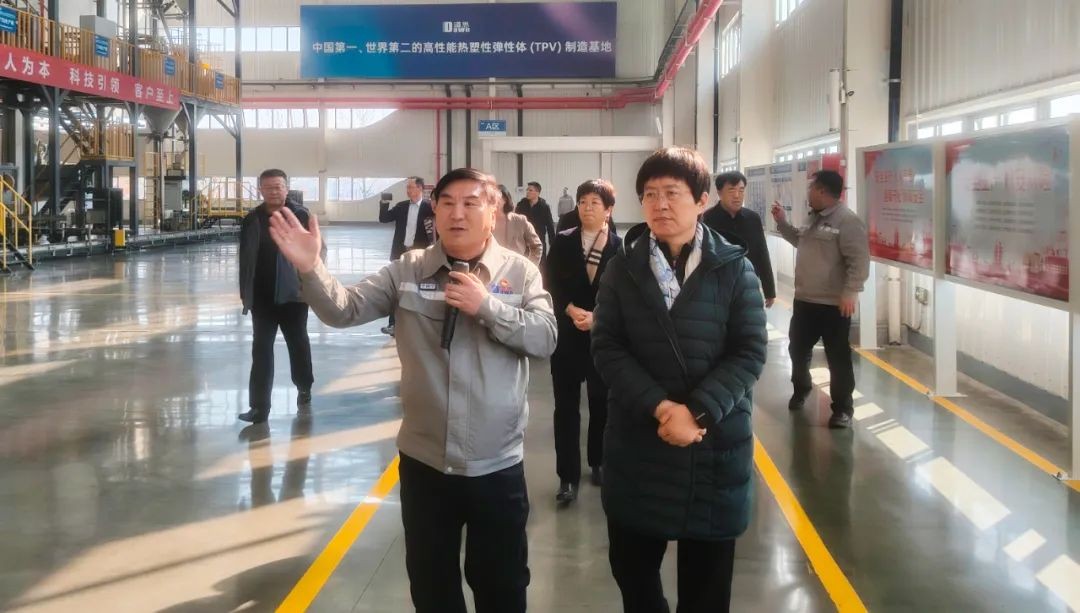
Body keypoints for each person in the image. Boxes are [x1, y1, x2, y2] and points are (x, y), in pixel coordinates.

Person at [267, 167, 557, 613]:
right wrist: (311, 267)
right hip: (426, 465)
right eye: (447, 203)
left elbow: (545, 338)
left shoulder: (520, 273)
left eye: (470, 203)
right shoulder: (408, 269)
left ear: (493, 211)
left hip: (495, 466)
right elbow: (345, 309)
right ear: (434, 212)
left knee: (502, 586)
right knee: (431, 587)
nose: (457, 214)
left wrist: (488, 307)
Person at [592, 147, 767, 612]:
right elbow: (607, 346)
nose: (660, 204)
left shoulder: (734, 268)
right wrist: (661, 406)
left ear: (702, 200)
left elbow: (750, 351)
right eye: (650, 194)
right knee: (633, 573)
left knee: (706, 590)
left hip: (712, 447)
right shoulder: (622, 268)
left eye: (672, 193)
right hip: (641, 442)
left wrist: (698, 412)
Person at [772, 170, 869, 429]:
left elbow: (859, 261)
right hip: (805, 300)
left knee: (837, 358)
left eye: (811, 187)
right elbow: (800, 240)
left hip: (833, 305)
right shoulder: (812, 217)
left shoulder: (848, 221)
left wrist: (851, 291)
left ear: (822, 191)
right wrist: (782, 223)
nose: (808, 192)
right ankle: (802, 388)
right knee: (797, 349)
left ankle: (843, 409)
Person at [545, 179, 621, 505]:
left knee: (601, 402)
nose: (587, 208)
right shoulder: (563, 241)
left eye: (594, 202)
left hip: (602, 339)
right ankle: (567, 477)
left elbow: (624, 296)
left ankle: (598, 462)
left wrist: (597, 317)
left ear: (608, 210)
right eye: (583, 202)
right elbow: (547, 281)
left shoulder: (619, 248)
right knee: (565, 408)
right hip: (566, 336)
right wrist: (568, 308)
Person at [237, 169, 324, 424]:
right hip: (261, 298)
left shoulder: (301, 216)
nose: (274, 192)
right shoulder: (252, 219)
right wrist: (245, 292)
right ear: (260, 190)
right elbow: (245, 259)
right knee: (261, 350)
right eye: (268, 187)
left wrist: (309, 285)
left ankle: (304, 386)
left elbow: (318, 253)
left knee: (298, 344)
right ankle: (259, 407)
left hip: (293, 296)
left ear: (286, 188)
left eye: (278, 187)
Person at [702, 170, 776, 307]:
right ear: (719, 193)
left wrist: (769, 290)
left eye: (741, 190)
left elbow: (762, 253)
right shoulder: (707, 219)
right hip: (717, 289)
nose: (737, 195)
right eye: (731, 190)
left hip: (748, 286)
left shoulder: (753, 219)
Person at [378, 176, 436, 336]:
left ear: (420, 188)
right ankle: (393, 324)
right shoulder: (401, 206)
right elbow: (384, 219)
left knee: (419, 290)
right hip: (401, 253)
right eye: (407, 187)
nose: (408, 190)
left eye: (411, 187)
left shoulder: (429, 208)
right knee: (397, 287)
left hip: (420, 255)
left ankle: (419, 325)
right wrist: (384, 203)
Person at [494, 184, 543, 265]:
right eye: (488, 198)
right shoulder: (483, 221)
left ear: (505, 199)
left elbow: (536, 246)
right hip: (491, 269)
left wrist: (529, 267)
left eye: (495, 197)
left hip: (515, 267)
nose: (492, 201)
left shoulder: (519, 220)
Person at [515, 181, 556, 262]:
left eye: (530, 190)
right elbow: (515, 220)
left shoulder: (544, 207)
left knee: (541, 264)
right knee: (524, 262)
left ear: (537, 193)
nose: (527, 192)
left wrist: (553, 244)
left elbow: (550, 226)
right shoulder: (522, 205)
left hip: (539, 240)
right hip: (524, 240)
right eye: (527, 190)